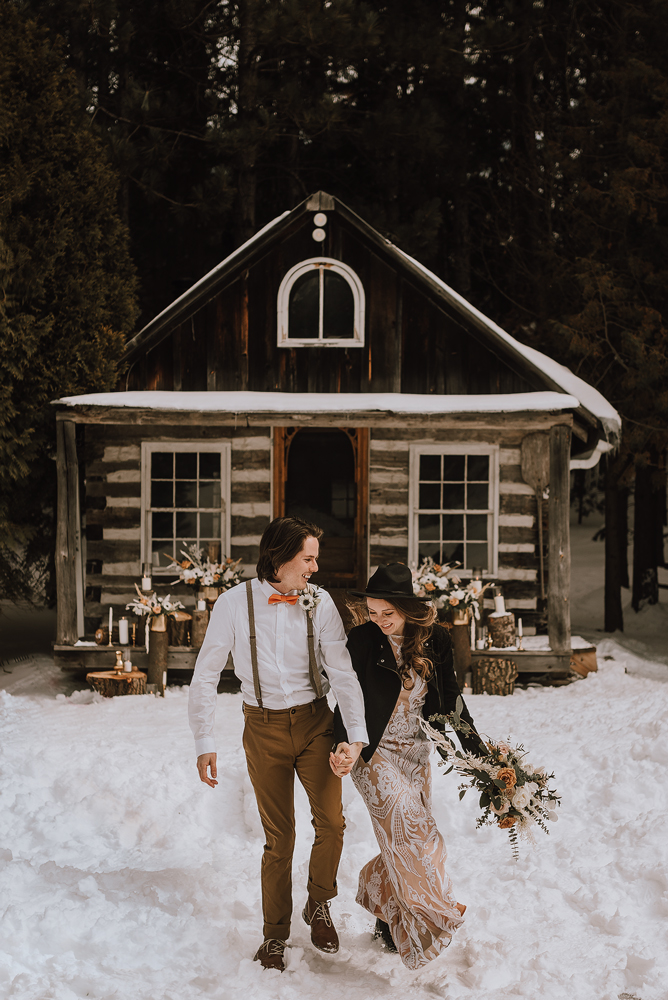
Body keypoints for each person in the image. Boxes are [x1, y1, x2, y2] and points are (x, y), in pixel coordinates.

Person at [188, 517, 369, 972]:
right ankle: (274, 936)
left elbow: (343, 673)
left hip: (315, 722)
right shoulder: (232, 604)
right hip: (262, 728)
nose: (314, 567)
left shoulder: (321, 601)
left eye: (315, 559)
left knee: (332, 822)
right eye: (308, 558)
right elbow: (206, 674)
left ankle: (319, 903)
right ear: (280, 557)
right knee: (279, 838)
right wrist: (204, 739)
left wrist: (356, 737)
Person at [330, 563, 481, 971]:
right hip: (373, 751)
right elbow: (348, 696)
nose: (378, 621)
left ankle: (382, 901)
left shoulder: (436, 639)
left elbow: (450, 699)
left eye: (387, 614)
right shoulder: (361, 640)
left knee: (407, 838)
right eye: (373, 612)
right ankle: (433, 922)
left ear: (407, 609)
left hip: (416, 753)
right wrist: (343, 742)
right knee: (419, 835)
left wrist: (479, 754)